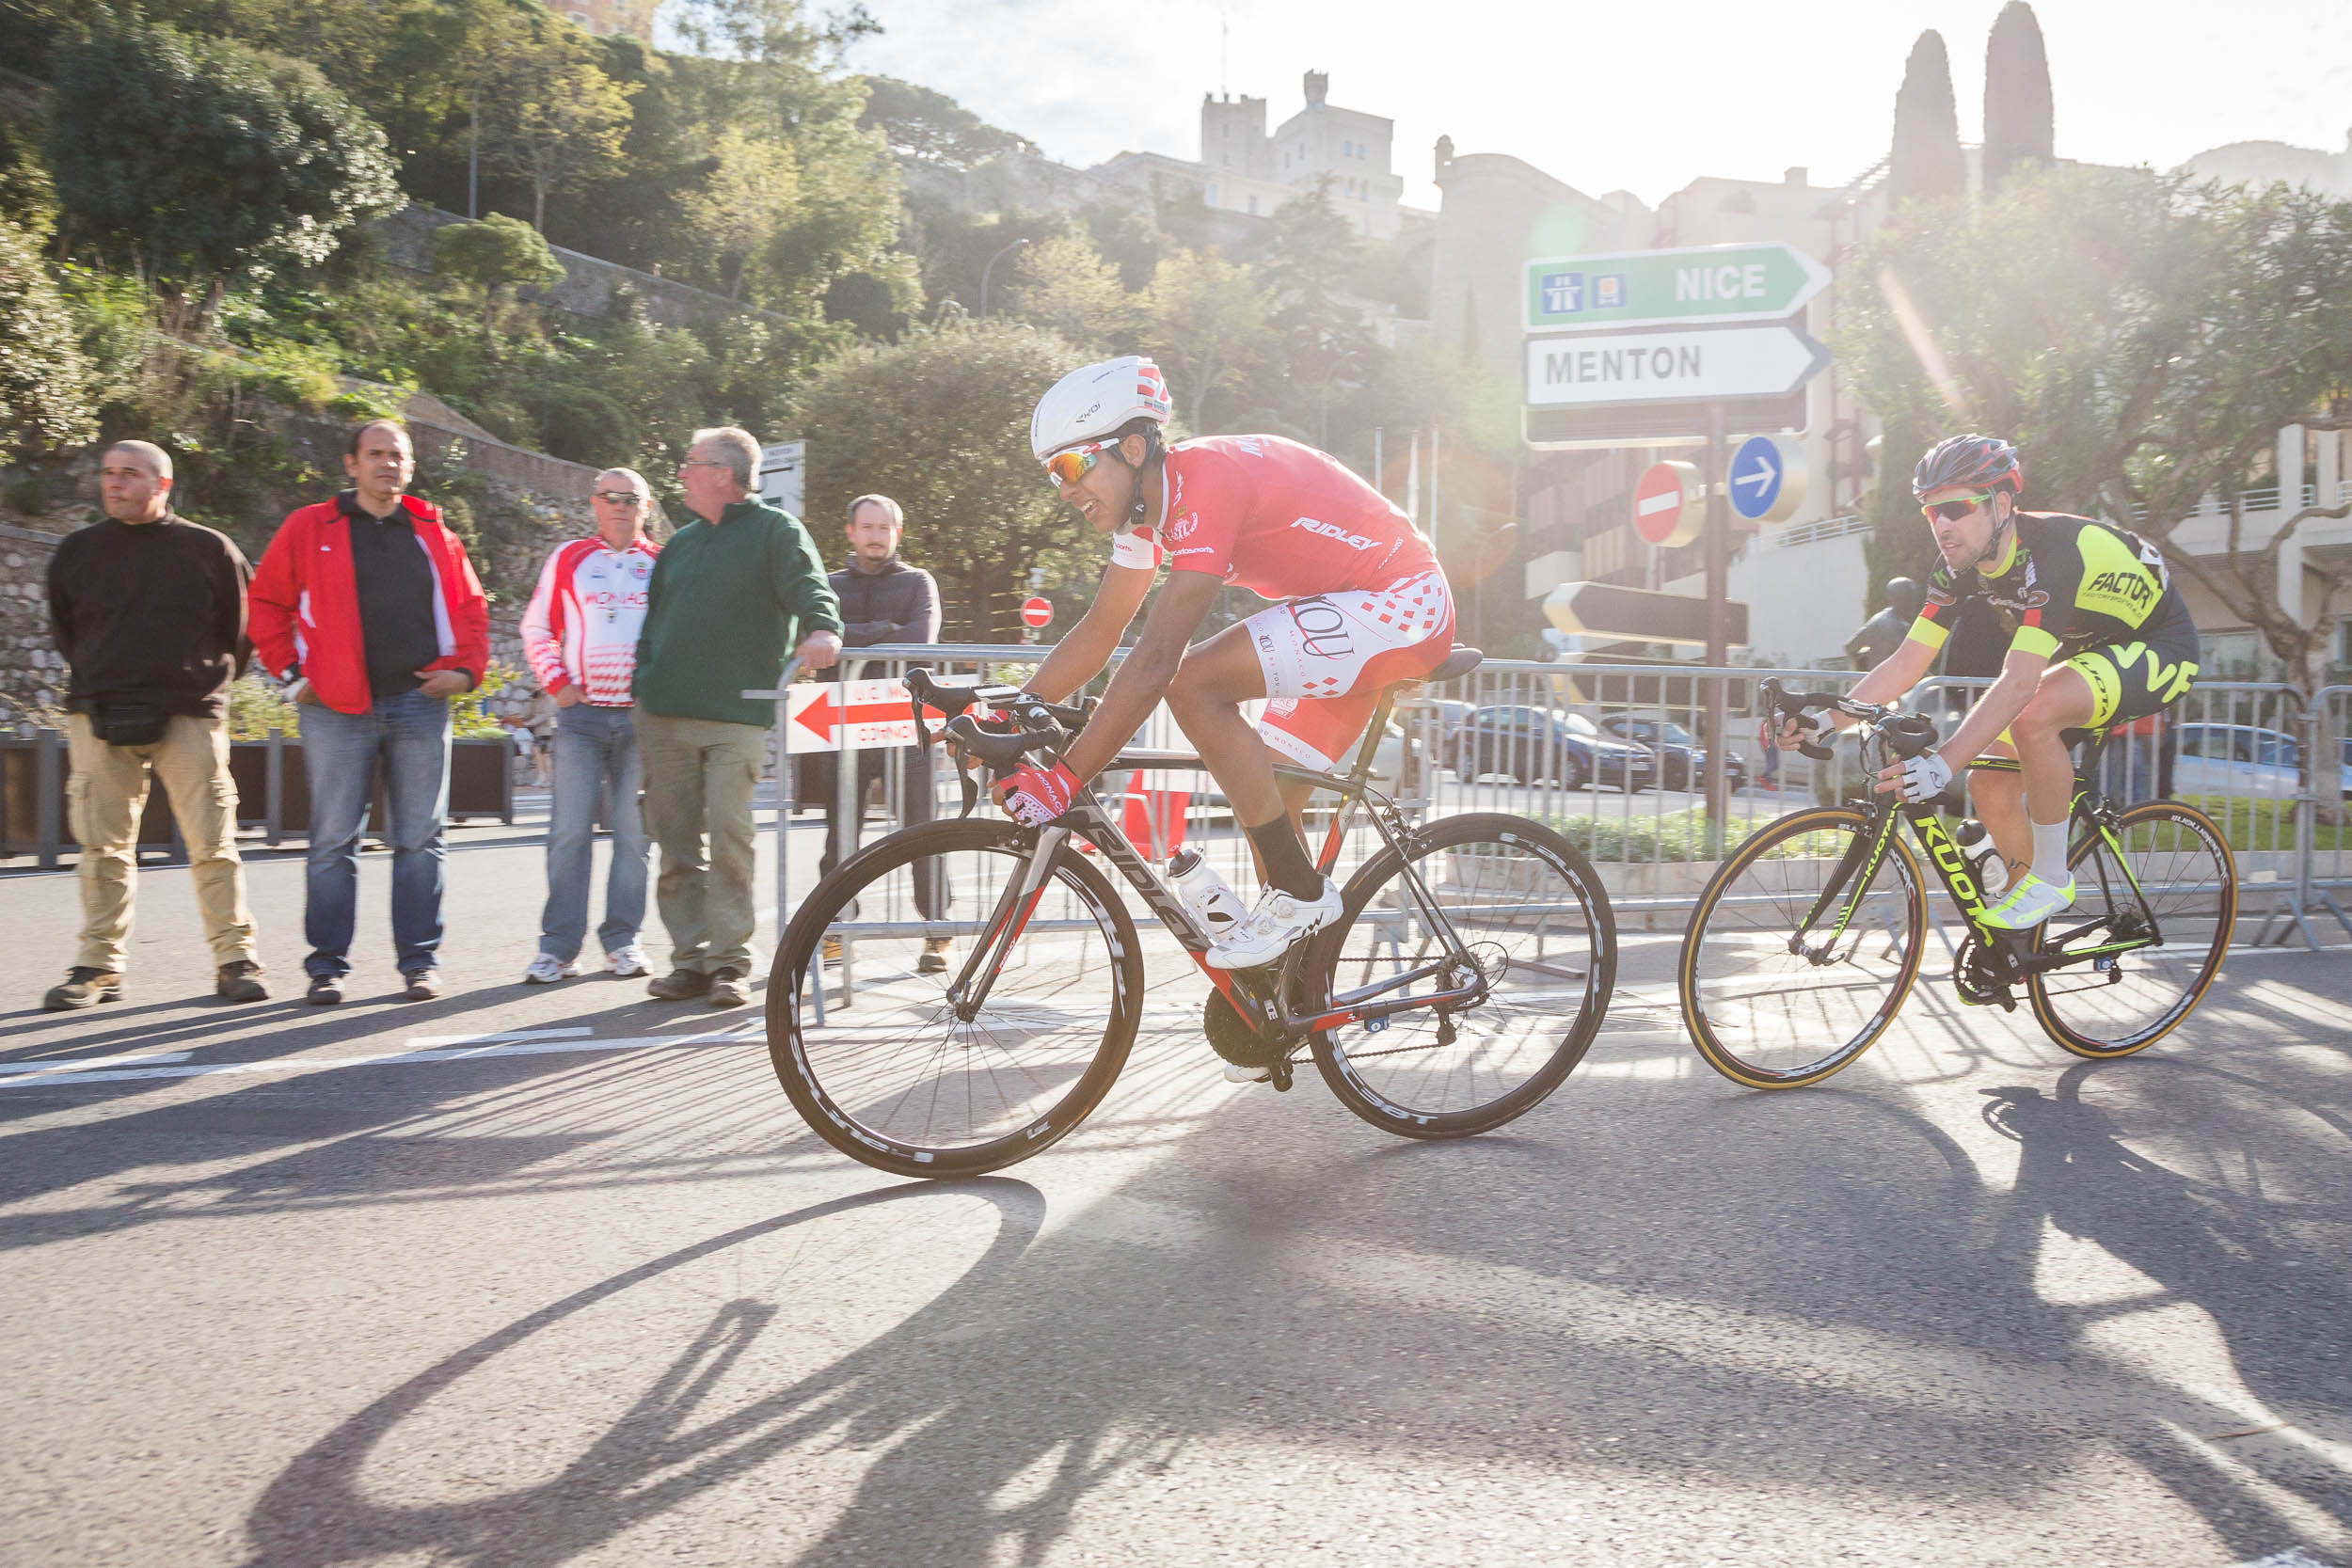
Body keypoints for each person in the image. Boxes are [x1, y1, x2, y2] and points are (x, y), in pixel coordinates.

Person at [1004, 356, 1456, 1017]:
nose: (1064, 488)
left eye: (1072, 467)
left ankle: (1299, 897)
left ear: (1132, 449)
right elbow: (1102, 631)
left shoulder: (1206, 482)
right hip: (1346, 610)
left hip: (1402, 602)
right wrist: (1018, 710)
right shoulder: (1142, 517)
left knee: (1195, 684)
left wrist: (1063, 779)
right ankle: (1289, 1000)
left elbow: (1159, 657)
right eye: (1053, 474)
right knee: (1270, 796)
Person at [1777, 435, 2199, 930]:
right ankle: (2025, 933)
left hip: (2160, 645)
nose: (1944, 524)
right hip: (2093, 649)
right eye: (1933, 512)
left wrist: (1941, 763)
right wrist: (1827, 721)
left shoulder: (2052, 554)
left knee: (2035, 713)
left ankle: (2051, 877)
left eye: (1957, 507)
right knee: (1989, 782)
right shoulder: (1958, 565)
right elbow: (1909, 659)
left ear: (2001, 504)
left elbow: (2019, 683)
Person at [249, 420, 489, 1005]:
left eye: (398, 456)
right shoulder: (310, 526)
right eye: (375, 454)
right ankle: (327, 967)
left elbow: (471, 608)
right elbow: (266, 601)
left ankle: (419, 964)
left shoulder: (435, 532)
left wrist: (465, 672)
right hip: (336, 706)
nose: (388, 464)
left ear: (409, 467)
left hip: (419, 703)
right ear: (351, 464)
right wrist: (291, 677)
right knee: (333, 840)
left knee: (422, 838)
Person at [42, 440, 266, 1009]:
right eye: (108, 474)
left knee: (213, 844)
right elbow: (67, 631)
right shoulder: (76, 552)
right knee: (102, 848)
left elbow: (243, 632)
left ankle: (234, 961)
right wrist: (102, 674)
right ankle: (98, 966)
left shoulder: (209, 549)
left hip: (188, 713)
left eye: (130, 475)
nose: (115, 484)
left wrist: (200, 683)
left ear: (162, 485)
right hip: (97, 712)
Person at [633, 426, 842, 1008]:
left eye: (689, 463)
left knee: (729, 838)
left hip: (737, 716)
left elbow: (812, 589)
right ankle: (689, 961)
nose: (680, 474)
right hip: (664, 716)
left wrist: (823, 629)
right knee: (674, 845)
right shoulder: (680, 544)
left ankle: (730, 963)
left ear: (723, 474)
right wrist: (642, 685)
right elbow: (653, 624)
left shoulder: (777, 531)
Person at [517, 467, 661, 984]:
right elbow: (535, 626)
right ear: (595, 504)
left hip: (641, 720)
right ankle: (558, 948)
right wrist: (557, 683)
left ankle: (623, 941)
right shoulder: (569, 558)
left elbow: (679, 637)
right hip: (580, 717)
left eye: (632, 498)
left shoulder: (662, 564)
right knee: (568, 833)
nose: (621, 505)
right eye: (611, 497)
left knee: (634, 836)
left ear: (646, 507)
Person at [810, 494, 949, 972]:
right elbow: (809, 634)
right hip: (844, 727)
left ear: (897, 534)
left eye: (884, 528)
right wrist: (882, 628)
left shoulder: (917, 582)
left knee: (923, 832)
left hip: (907, 724)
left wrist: (851, 636)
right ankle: (833, 933)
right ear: (850, 532)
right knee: (840, 837)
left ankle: (936, 931)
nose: (875, 536)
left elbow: (920, 641)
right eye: (867, 527)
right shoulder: (826, 586)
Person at [1845, 577, 1924, 672]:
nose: (1914, 602)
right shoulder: (1895, 626)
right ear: (1900, 598)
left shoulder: (1877, 620)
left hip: (1879, 681)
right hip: (1893, 681)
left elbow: (1850, 647)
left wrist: (1864, 669)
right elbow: (1911, 661)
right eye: (1910, 597)